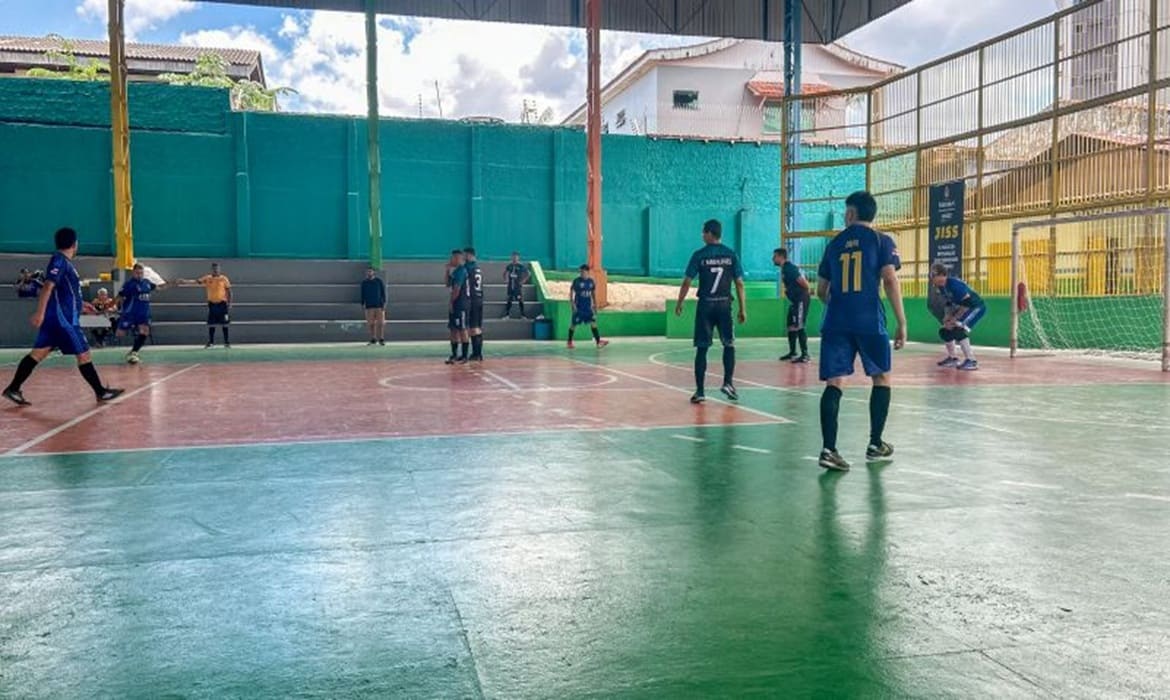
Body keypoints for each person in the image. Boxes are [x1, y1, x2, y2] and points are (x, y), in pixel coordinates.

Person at [815, 191, 907, 472]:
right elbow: (889, 279)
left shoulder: (834, 244)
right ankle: (875, 443)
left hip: (836, 321)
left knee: (834, 382)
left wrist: (840, 304)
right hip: (869, 319)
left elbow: (821, 290)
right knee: (881, 377)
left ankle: (829, 449)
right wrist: (902, 322)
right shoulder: (881, 240)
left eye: (846, 212)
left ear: (852, 213)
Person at [2, 227, 124, 406]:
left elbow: (63, 293)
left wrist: (82, 305)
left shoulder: (64, 263)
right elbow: (48, 286)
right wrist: (40, 313)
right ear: (74, 244)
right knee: (84, 354)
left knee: (38, 353)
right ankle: (101, 392)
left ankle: (13, 388)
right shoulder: (59, 261)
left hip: (57, 318)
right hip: (63, 320)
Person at [675, 219, 746, 404]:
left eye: (703, 232)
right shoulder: (731, 254)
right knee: (729, 344)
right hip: (724, 305)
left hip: (706, 306)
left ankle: (700, 391)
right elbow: (739, 283)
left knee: (702, 348)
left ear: (709, 233)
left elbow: (687, 281)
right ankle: (728, 383)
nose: (702, 236)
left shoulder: (699, 255)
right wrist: (742, 308)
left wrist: (680, 302)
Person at [931, 263, 985, 371]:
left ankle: (971, 361)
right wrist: (947, 317)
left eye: (934, 275)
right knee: (945, 331)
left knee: (958, 329)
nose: (932, 278)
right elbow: (948, 303)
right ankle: (953, 358)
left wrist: (954, 319)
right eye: (932, 275)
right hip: (963, 308)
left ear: (943, 275)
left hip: (975, 307)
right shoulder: (941, 287)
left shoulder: (954, 284)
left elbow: (967, 302)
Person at [116, 263, 166, 364]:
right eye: (137, 273)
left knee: (145, 331)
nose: (139, 275)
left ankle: (134, 352)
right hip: (130, 313)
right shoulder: (129, 284)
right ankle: (132, 343)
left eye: (141, 273)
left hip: (143, 313)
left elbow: (159, 287)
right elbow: (119, 296)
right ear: (133, 273)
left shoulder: (146, 282)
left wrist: (175, 283)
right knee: (120, 333)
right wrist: (113, 306)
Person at [178, 263, 232, 348]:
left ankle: (226, 342)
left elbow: (229, 291)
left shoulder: (224, 279)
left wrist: (230, 303)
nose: (215, 270)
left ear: (219, 269)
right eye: (214, 269)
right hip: (212, 304)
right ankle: (211, 342)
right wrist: (185, 281)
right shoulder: (207, 278)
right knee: (211, 323)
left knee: (225, 323)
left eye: (217, 269)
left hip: (222, 304)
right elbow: (196, 281)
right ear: (211, 270)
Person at [773, 247, 811, 363]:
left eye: (775, 256)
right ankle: (792, 352)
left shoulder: (790, 268)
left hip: (800, 300)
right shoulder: (784, 269)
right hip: (794, 301)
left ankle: (805, 354)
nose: (773, 259)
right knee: (791, 325)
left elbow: (803, 282)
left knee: (799, 325)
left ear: (781, 257)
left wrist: (805, 292)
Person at [568, 265, 609, 349]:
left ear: (587, 272)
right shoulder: (577, 281)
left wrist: (595, 305)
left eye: (583, 272)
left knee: (593, 323)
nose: (581, 273)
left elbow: (593, 294)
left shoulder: (591, 282)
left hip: (587, 308)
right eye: (580, 272)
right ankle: (569, 342)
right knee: (573, 324)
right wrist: (572, 304)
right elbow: (571, 291)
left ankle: (598, 342)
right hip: (579, 307)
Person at [446, 250, 470, 364]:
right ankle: (454, 354)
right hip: (456, 304)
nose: (451, 260)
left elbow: (457, 289)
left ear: (458, 258)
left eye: (453, 258)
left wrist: (451, 302)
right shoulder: (455, 271)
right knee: (453, 329)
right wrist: (447, 270)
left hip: (461, 304)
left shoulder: (461, 271)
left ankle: (464, 356)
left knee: (462, 329)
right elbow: (447, 284)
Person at [463, 247, 485, 361]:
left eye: (465, 255)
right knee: (478, 327)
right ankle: (478, 353)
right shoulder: (478, 268)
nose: (464, 257)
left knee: (473, 327)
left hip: (472, 299)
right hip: (479, 298)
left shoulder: (468, 267)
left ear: (470, 255)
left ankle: (476, 353)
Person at [361, 267, 387, 346]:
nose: (369, 273)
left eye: (370, 271)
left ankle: (381, 338)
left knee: (381, 323)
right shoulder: (364, 283)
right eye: (368, 272)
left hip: (379, 305)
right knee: (371, 323)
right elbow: (362, 294)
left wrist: (384, 303)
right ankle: (373, 338)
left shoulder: (379, 281)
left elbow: (383, 293)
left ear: (373, 272)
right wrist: (363, 303)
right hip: (369, 306)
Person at [502, 252, 530, 319]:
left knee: (520, 300)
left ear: (518, 258)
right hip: (510, 286)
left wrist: (523, 281)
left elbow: (528, 273)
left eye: (516, 257)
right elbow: (504, 273)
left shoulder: (520, 266)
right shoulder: (509, 266)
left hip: (517, 287)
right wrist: (505, 279)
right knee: (509, 299)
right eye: (513, 257)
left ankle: (523, 315)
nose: (514, 258)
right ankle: (507, 315)